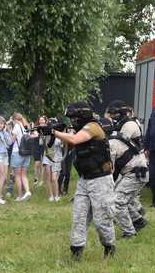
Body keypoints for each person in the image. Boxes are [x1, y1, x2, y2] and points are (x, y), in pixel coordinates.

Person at [41, 101, 116, 260]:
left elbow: (75, 140)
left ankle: (109, 248)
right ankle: (76, 253)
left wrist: (53, 131)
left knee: (102, 220)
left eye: (74, 118)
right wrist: (55, 132)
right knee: (79, 217)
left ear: (82, 116)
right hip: (85, 179)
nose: (72, 122)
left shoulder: (92, 126)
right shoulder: (79, 128)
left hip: (101, 179)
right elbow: (70, 142)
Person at [107, 100, 149, 238]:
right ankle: (138, 221)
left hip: (136, 171)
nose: (112, 118)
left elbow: (113, 166)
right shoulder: (120, 131)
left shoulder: (128, 126)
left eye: (114, 115)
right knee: (124, 199)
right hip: (134, 170)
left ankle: (129, 232)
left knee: (117, 202)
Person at [10, 113, 32, 201]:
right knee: (24, 175)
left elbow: (12, 141)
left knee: (17, 176)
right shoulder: (26, 126)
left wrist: (9, 132)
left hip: (17, 153)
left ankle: (19, 196)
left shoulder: (16, 127)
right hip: (27, 153)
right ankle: (27, 191)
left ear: (15, 119)